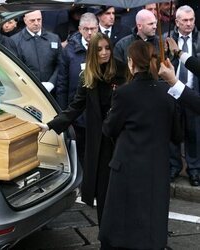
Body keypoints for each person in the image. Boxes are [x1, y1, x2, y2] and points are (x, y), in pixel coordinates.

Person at [98, 40, 182, 250]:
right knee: (151, 223)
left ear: (131, 63)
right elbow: (177, 135)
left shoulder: (124, 93)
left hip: (127, 167)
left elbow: (109, 129)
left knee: (121, 226)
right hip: (156, 168)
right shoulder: (168, 93)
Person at [36, 32, 125, 226]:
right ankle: (105, 232)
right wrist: (51, 125)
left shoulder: (122, 69)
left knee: (121, 187)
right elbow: (76, 106)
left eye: (107, 48)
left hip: (121, 138)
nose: (104, 53)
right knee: (102, 188)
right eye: (99, 49)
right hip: (100, 140)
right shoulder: (88, 75)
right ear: (92, 51)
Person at [55, 12, 98, 168]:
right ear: (79, 29)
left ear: (98, 28)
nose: (89, 33)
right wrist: (64, 114)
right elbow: (62, 84)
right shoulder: (69, 51)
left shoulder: (103, 49)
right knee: (80, 152)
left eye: (93, 29)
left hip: (98, 111)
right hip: (77, 112)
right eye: (86, 29)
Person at [169, 5, 200, 186]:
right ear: (177, 22)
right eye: (185, 20)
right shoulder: (167, 38)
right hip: (173, 92)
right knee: (173, 131)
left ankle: (194, 169)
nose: (189, 24)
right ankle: (174, 166)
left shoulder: (198, 38)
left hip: (193, 92)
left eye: (192, 20)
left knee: (194, 132)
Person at [11, 10, 62, 93]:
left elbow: (60, 64)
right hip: (27, 90)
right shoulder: (14, 41)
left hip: (52, 91)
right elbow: (14, 68)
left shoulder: (54, 38)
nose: (36, 23)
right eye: (32, 20)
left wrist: (51, 83)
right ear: (25, 21)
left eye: (39, 19)